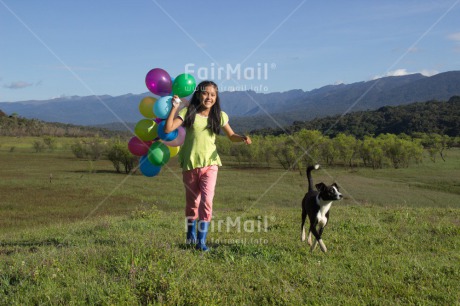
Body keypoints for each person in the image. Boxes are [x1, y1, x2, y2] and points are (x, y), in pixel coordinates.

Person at [164, 80, 252, 251]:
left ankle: (201, 242)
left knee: (207, 201)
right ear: (198, 94)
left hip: (210, 164)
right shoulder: (187, 112)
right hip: (190, 164)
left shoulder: (219, 115)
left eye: (213, 94)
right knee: (192, 204)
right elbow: (168, 129)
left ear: (216, 97)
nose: (209, 97)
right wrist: (174, 107)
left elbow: (231, 135)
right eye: (205, 93)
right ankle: (190, 236)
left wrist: (241, 138)